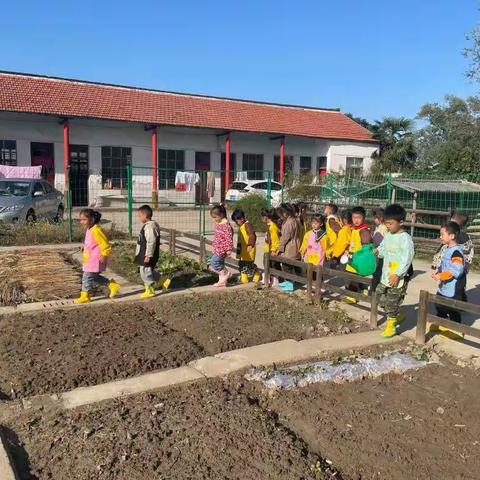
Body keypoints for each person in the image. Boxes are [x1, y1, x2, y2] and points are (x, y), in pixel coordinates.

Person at [376, 204, 415, 337]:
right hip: (386, 274)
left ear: (401, 222)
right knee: (379, 296)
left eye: (390, 223)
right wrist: (376, 251)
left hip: (398, 277)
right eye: (386, 223)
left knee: (391, 301)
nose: (388, 226)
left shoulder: (405, 239)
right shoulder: (388, 235)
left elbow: (407, 258)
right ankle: (396, 315)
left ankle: (391, 326)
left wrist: (398, 274)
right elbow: (383, 248)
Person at [73, 209, 120, 304]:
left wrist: (104, 254)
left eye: (84, 220)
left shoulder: (96, 230)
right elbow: (92, 243)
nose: (81, 222)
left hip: (95, 259)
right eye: (80, 220)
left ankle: (85, 295)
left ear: (92, 220)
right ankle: (112, 285)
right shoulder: (90, 229)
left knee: (86, 277)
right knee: (93, 277)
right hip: (90, 259)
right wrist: (84, 249)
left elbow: (105, 244)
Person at [431, 222, 467, 340]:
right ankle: (441, 321)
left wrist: (441, 276)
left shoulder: (457, 252)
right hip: (445, 285)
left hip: (454, 286)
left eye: (442, 234)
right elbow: (444, 264)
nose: (440, 237)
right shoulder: (447, 249)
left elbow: (455, 270)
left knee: (453, 308)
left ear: (452, 236)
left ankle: (457, 330)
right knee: (439, 303)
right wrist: (438, 270)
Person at [134, 204, 168, 299]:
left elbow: (151, 241)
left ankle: (150, 290)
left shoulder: (149, 227)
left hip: (148, 254)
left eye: (140, 216)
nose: (139, 218)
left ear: (145, 215)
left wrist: (148, 255)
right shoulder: (149, 225)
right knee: (149, 271)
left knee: (144, 271)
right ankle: (163, 280)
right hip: (145, 253)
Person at [432, 212, 474, 283]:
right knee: (459, 286)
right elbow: (471, 252)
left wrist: (436, 264)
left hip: (450, 270)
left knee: (452, 288)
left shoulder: (453, 242)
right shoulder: (467, 238)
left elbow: (443, 253)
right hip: (462, 269)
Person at [344, 206, 373, 303]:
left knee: (352, 276)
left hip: (357, 257)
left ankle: (353, 296)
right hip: (352, 255)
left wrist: (358, 255)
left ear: (363, 217)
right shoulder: (355, 229)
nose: (356, 220)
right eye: (354, 217)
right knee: (356, 275)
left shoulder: (364, 230)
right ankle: (362, 290)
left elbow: (366, 246)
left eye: (358, 217)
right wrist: (348, 250)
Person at [275, 203, 302, 292]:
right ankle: (297, 281)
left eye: (281, 215)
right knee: (295, 266)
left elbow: (284, 238)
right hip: (297, 245)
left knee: (287, 267)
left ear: (285, 214)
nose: (280, 217)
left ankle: (289, 284)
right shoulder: (296, 220)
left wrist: (279, 250)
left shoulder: (288, 223)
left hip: (290, 248)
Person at [231, 208, 261, 284]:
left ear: (242, 218)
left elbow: (252, 235)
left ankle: (256, 274)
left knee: (247, 264)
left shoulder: (247, 225)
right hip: (243, 250)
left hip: (248, 249)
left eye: (236, 221)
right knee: (242, 264)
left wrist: (250, 245)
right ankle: (245, 278)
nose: (236, 223)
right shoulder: (242, 226)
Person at [210, 204, 234, 287]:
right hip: (217, 248)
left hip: (222, 249)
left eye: (215, 217)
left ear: (221, 215)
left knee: (215, 262)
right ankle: (222, 281)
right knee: (219, 263)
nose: (214, 219)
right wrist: (214, 246)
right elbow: (216, 237)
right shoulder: (219, 224)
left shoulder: (226, 226)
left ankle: (227, 273)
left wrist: (229, 248)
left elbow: (229, 238)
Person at [261, 208, 281, 286]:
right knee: (266, 264)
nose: (261, 219)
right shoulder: (269, 226)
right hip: (267, 249)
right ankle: (267, 279)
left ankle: (275, 280)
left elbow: (275, 239)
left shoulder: (272, 226)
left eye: (262, 217)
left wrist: (274, 250)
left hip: (270, 249)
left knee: (271, 265)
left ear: (266, 217)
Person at [371, 208, 388, 292]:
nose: (374, 220)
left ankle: (374, 291)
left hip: (379, 253)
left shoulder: (382, 228)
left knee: (377, 273)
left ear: (380, 218)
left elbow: (377, 241)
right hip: (380, 253)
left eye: (375, 218)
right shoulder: (382, 227)